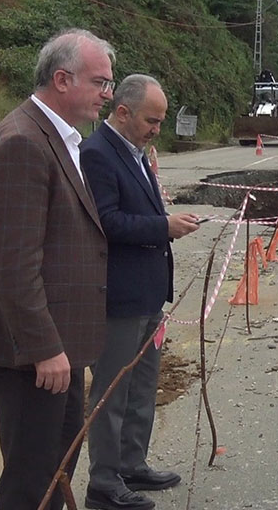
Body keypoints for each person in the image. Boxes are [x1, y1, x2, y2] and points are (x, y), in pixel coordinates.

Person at [0, 28, 115, 510]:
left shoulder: (58, 138)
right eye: (100, 82)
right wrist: (44, 348)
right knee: (31, 481)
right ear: (62, 80)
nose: (107, 93)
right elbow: (13, 265)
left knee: (56, 468)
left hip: (58, 344)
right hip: (30, 352)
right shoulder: (23, 142)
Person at [80, 75, 201, 510]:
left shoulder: (136, 153)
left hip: (148, 296)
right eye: (151, 120)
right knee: (113, 390)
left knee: (142, 385)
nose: (157, 130)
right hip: (119, 297)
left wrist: (165, 221)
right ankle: (104, 482)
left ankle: (132, 464)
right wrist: (163, 227)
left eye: (161, 121)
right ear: (123, 112)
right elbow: (106, 223)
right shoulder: (96, 155)